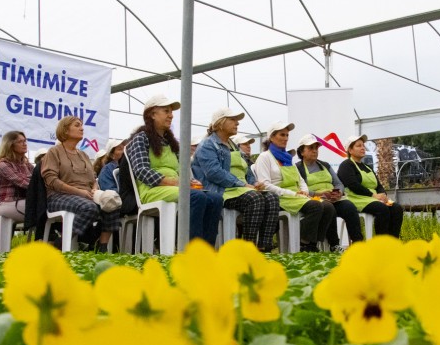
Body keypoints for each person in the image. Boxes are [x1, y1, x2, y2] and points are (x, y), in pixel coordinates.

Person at [124, 94, 222, 246]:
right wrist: (176, 183)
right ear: (152, 114)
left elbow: (180, 173)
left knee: (215, 199)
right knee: (197, 197)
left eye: (171, 112)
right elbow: (141, 171)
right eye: (166, 111)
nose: (171, 115)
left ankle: (206, 251)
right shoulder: (140, 138)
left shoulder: (171, 142)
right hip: (152, 190)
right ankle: (191, 251)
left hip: (174, 187)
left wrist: (190, 181)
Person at [192, 108, 279, 252]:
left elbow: (245, 170)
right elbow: (214, 173)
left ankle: (264, 247)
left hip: (239, 188)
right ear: (220, 123)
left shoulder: (233, 145)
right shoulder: (207, 145)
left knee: (272, 198)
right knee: (255, 198)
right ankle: (247, 249)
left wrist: (254, 183)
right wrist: (244, 184)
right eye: (232, 119)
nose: (237, 123)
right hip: (220, 190)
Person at [42, 116, 119, 252]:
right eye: (77, 125)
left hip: (86, 194)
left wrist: (94, 190)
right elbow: (51, 180)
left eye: (82, 125)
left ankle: (101, 247)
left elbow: (93, 179)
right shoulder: (54, 152)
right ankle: (58, 245)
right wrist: (79, 192)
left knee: (112, 203)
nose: (82, 128)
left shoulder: (83, 154)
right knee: (88, 208)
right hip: (59, 196)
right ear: (65, 130)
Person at [255, 121, 336, 252]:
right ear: (271, 137)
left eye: (287, 135)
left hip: (296, 197)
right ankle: (302, 243)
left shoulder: (287, 158)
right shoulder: (264, 157)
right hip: (280, 198)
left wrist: (304, 192)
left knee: (328, 207)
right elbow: (265, 185)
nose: (286, 138)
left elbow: (301, 180)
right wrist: (292, 194)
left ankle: (312, 243)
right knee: (316, 206)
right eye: (282, 135)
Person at [296, 134, 363, 251]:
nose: (315, 151)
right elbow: (300, 190)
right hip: (314, 200)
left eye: (316, 148)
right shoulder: (298, 168)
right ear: (302, 152)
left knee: (349, 207)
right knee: (328, 207)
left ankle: (358, 244)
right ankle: (334, 245)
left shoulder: (325, 165)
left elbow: (338, 183)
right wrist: (319, 194)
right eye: (311, 148)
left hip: (333, 198)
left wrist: (339, 193)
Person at [337, 135, 403, 237]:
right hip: (357, 199)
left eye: (363, 145)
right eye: (358, 146)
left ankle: (392, 243)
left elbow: (378, 185)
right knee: (382, 209)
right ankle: (380, 245)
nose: (363, 148)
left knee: (396, 208)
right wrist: (373, 195)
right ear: (350, 150)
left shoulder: (367, 167)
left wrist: (383, 194)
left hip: (373, 198)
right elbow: (353, 185)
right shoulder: (346, 165)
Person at [0, 131, 34, 222]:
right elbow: (23, 182)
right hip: (3, 204)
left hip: (20, 202)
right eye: (20, 142)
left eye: (25, 141)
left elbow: (37, 180)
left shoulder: (28, 165)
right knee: (43, 207)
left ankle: (52, 234)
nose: (24, 144)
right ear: (10, 145)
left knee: (48, 205)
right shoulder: (3, 163)